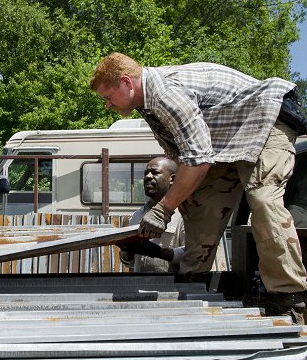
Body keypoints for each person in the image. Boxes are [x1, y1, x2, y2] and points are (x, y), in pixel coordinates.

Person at [90, 52, 307, 324]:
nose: (107, 105)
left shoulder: (165, 94)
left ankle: (287, 299)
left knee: (263, 200)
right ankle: (192, 281)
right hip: (227, 138)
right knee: (199, 204)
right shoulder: (147, 104)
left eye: (108, 97)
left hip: (267, 119)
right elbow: (185, 158)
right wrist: (176, 201)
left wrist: (163, 209)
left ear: (126, 83)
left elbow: (199, 160)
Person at [119, 157, 185, 273]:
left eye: (155, 173)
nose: (148, 177)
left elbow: (193, 256)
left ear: (172, 179)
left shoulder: (184, 215)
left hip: (171, 288)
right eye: (145, 173)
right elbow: (130, 263)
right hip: (139, 287)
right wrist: (127, 250)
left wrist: (158, 252)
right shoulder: (136, 215)